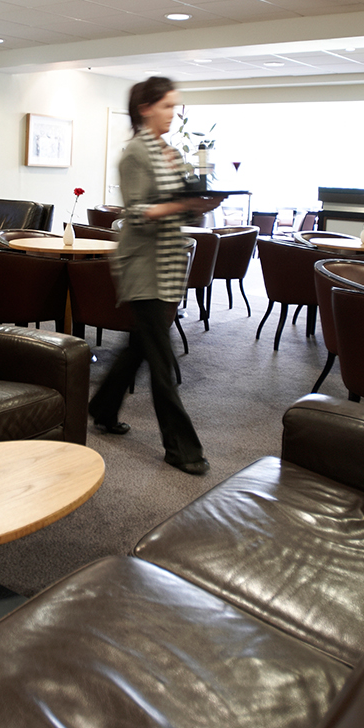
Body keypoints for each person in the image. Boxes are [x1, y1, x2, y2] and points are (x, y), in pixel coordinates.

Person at [88, 77, 223, 475]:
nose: (173, 114)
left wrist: (201, 204)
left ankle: (103, 407)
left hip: (166, 262)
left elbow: (181, 209)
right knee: (162, 360)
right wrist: (181, 203)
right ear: (145, 108)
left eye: (175, 107)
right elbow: (137, 214)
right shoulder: (135, 154)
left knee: (140, 346)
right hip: (142, 264)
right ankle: (182, 448)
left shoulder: (170, 152)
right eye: (167, 106)